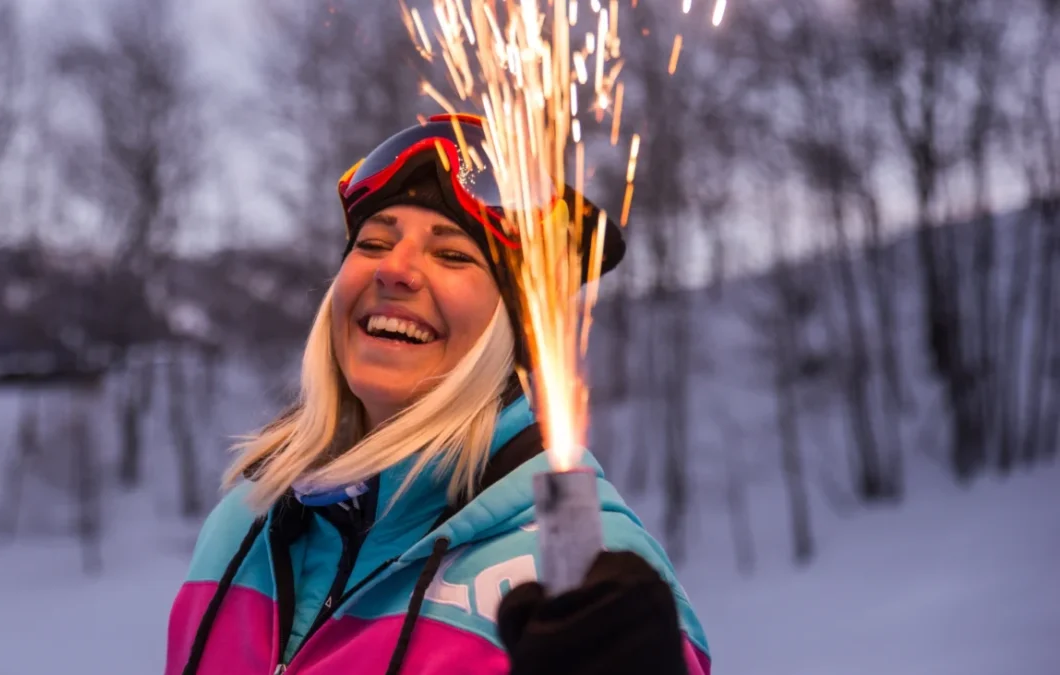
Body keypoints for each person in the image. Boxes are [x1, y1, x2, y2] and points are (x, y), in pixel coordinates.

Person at [165, 113, 711, 675]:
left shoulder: (579, 574)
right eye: (374, 242)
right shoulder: (243, 526)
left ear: (514, 327)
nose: (394, 269)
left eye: (452, 255)